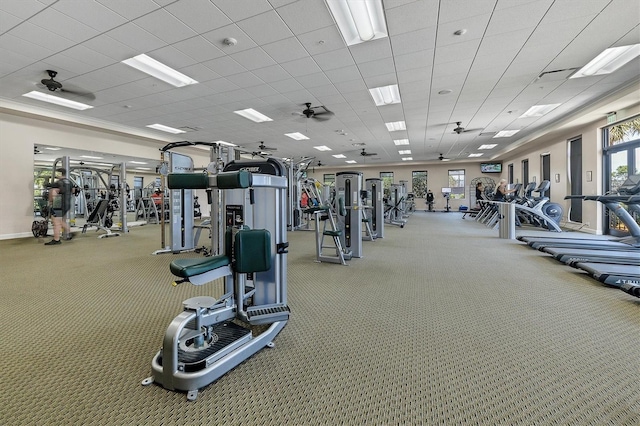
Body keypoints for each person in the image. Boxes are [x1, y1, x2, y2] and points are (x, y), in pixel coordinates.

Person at [45, 169, 73, 245]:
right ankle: (69, 231)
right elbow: (73, 191)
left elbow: (53, 192)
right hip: (67, 204)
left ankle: (56, 239)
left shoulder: (58, 183)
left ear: (60, 174)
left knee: (56, 223)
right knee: (60, 221)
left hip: (59, 204)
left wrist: (50, 202)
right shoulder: (70, 182)